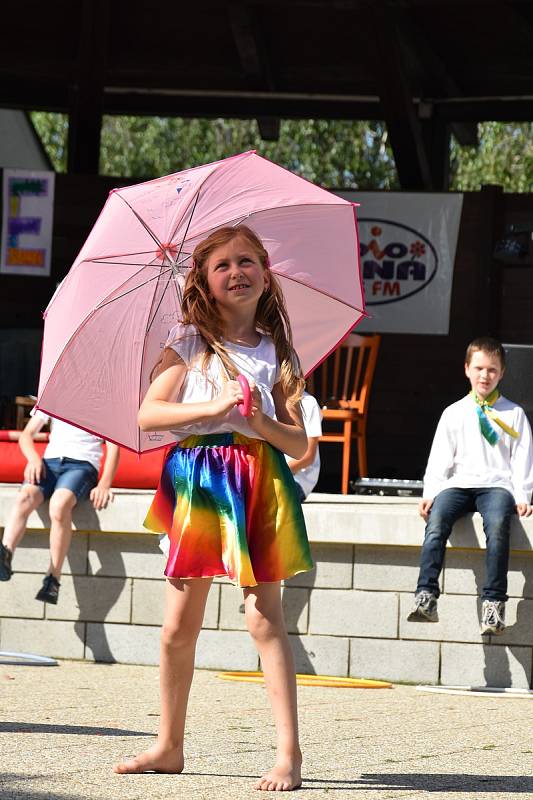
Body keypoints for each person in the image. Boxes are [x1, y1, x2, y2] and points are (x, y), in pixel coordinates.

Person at [114, 225, 313, 791]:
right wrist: (214, 404)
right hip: (198, 481)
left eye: (247, 260)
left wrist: (258, 422)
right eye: (222, 265)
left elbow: (299, 447)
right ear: (203, 279)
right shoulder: (188, 345)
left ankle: (287, 754)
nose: (236, 272)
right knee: (178, 625)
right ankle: (169, 743)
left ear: (266, 272)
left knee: (263, 618)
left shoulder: (279, 353)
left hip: (256, 481)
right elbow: (148, 417)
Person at [407, 336, 533, 635]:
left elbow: (522, 457)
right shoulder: (455, 412)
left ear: (502, 373)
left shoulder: (513, 413)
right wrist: (431, 493)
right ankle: (426, 595)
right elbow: (440, 458)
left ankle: (493, 603)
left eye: (492, 369)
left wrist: (523, 494)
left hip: (496, 485)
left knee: (499, 525)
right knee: (436, 521)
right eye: (478, 368)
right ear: (466, 369)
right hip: (459, 484)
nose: (484, 375)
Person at [0, 410, 120, 604]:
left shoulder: (103, 400)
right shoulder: (54, 395)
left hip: (82, 465)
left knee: (59, 505)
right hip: (49, 461)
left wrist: (105, 484)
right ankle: (5, 553)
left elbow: (114, 447)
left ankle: (53, 577)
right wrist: (33, 459)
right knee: (24, 496)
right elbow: (26, 435)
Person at [286, 390, 322, 502]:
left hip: (296, 479)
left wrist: (278, 471)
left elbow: (308, 457)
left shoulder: (308, 403)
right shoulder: (266, 398)